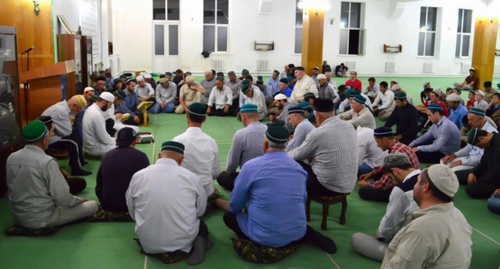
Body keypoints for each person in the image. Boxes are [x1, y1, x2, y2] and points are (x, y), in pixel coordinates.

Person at [222, 125, 337, 254]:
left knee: (229, 217)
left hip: (264, 236)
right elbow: (302, 200)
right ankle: (310, 236)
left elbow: (235, 205)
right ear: (286, 146)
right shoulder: (299, 169)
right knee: (292, 220)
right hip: (297, 231)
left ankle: (261, 240)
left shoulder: (250, 167)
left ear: (265, 144)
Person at [126, 141, 211, 266]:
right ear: (181, 160)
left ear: (159, 156)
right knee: (201, 225)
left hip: (147, 242)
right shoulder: (191, 177)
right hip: (181, 243)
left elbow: (132, 210)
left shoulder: (139, 176)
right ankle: (198, 245)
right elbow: (200, 210)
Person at [6, 120, 98, 229]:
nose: (51, 137)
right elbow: (63, 198)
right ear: (44, 140)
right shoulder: (47, 162)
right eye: (51, 133)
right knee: (93, 205)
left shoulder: (12, 157)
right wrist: (79, 201)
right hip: (43, 218)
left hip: (18, 217)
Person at [381, 164, 472, 268]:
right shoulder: (458, 215)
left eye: (417, 181)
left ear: (426, 186)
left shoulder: (421, 229)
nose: (414, 185)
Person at [351, 154, 420, 261]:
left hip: (412, 246)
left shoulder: (401, 190)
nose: (393, 182)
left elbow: (390, 223)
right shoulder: (427, 179)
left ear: (395, 171)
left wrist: (379, 235)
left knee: (357, 239)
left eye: (390, 177)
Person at [288, 98, 358, 197]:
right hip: (349, 184)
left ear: (316, 114)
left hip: (327, 187)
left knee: (291, 162)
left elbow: (296, 155)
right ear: (333, 111)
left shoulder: (318, 133)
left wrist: (282, 154)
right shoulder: (349, 126)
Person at [173, 103, 223, 205]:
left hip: (183, 192)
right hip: (206, 190)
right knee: (214, 192)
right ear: (204, 119)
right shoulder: (211, 141)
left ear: (187, 116)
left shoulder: (177, 141)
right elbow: (216, 172)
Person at [358, 126, 420, 202]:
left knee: (364, 191)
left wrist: (367, 184)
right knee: (377, 173)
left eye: (378, 142)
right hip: (413, 180)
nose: (377, 145)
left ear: (385, 140)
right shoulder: (400, 146)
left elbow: (383, 184)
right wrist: (371, 173)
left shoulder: (395, 153)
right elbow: (384, 166)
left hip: (405, 188)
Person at [96, 128, 149, 213]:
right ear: (135, 141)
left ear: (117, 140)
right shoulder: (141, 157)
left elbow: (99, 183)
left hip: (108, 205)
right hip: (134, 206)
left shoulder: (107, 156)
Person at [216, 104, 266, 191]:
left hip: (250, 177)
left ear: (243, 117)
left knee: (222, 177)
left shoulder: (240, 134)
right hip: (268, 176)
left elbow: (232, 164)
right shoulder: (268, 130)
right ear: (258, 116)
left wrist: (228, 171)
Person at [41, 95, 90, 176]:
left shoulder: (63, 108)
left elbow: (66, 128)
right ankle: (76, 169)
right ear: (74, 105)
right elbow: (67, 131)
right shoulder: (61, 110)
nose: (76, 113)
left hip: (54, 134)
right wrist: (61, 131)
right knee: (72, 142)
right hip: (47, 138)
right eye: (77, 110)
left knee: (75, 137)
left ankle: (80, 161)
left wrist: (60, 131)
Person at [443, 107, 498, 175]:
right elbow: (469, 148)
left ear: (480, 119)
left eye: (471, 120)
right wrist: (454, 155)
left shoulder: (490, 133)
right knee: (444, 162)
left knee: (452, 171)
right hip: (469, 159)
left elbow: (482, 158)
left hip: (477, 165)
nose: (469, 123)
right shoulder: (476, 129)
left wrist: (461, 162)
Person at [458, 129, 500, 199]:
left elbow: (496, 171)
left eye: (479, 145)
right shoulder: (490, 142)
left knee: (471, 189)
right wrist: (473, 173)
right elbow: (484, 161)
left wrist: (480, 181)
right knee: (458, 175)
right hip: (490, 172)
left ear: (481, 138)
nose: (480, 147)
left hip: (496, 180)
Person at [82, 92, 116, 157]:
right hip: (94, 148)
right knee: (124, 146)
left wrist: (113, 139)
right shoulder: (97, 115)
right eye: (110, 104)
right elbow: (103, 138)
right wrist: (115, 141)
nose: (110, 107)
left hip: (88, 146)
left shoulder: (90, 108)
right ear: (104, 103)